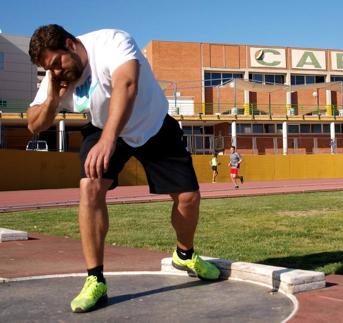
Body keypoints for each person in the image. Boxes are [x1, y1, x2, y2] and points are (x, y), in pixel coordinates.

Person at [27, 24, 220, 313]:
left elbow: (126, 85)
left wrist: (109, 139)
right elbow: (33, 124)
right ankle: (95, 279)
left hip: (152, 124)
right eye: (49, 69)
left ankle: (184, 254)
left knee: (188, 198)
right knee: (90, 187)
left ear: (70, 44)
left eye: (57, 64)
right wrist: (53, 95)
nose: (56, 72)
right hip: (102, 126)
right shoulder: (56, 77)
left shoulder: (111, 42)